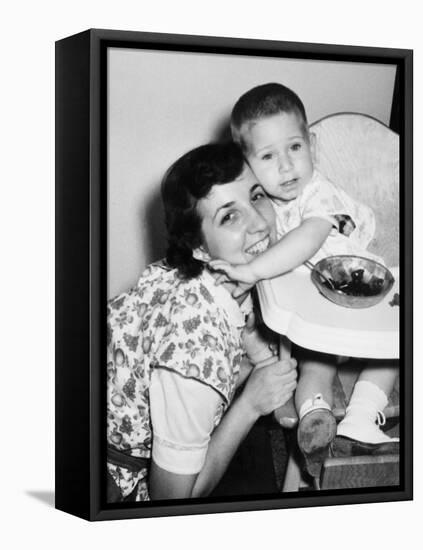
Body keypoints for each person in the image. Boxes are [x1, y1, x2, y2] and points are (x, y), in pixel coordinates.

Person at [209, 83, 399, 477]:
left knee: (393, 351)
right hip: (315, 312)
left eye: (295, 148)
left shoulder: (319, 192)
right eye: (267, 156)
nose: (286, 166)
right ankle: (316, 418)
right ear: (247, 164)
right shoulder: (261, 205)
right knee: (314, 360)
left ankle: (361, 417)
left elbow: (307, 238)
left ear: (311, 144)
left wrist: (252, 271)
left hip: (363, 296)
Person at [107, 142, 297, 501]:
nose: (259, 223)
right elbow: (171, 499)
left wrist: (248, 358)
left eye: (256, 196)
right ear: (198, 247)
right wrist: (251, 404)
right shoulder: (193, 354)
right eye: (229, 216)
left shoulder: (207, 276)